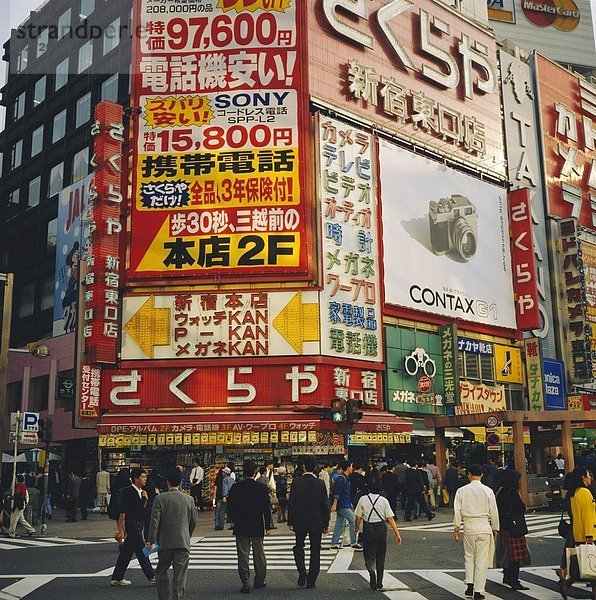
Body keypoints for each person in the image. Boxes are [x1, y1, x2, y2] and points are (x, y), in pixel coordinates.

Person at [147, 468, 197, 600]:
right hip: (182, 541)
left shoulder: (160, 499)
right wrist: (187, 534)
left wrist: (151, 540)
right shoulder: (189, 499)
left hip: (165, 542)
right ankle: (177, 597)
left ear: (167, 482)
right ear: (180, 482)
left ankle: (163, 597)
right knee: (179, 575)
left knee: (161, 571)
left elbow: (154, 522)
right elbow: (193, 521)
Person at [453, 464, 500, 600]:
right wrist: (495, 527)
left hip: (469, 525)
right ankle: (479, 590)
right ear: (482, 475)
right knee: (481, 560)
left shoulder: (461, 491)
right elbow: (494, 511)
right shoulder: (488, 491)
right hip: (484, 525)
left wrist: (456, 528)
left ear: (468, 474)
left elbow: (457, 511)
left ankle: (469, 584)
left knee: (469, 557)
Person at [226, 459, 273, 593]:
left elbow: (230, 508)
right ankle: (259, 580)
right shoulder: (261, 488)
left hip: (241, 525)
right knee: (259, 555)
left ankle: (245, 582)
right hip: (257, 524)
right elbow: (266, 508)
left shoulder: (236, 487)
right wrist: (268, 525)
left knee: (243, 555)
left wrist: (235, 519)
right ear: (255, 472)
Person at [355, 469, 402, 591]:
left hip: (368, 527)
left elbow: (358, 517)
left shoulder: (363, 499)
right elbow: (390, 519)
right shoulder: (384, 500)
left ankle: (371, 570)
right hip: (381, 528)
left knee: (368, 554)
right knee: (381, 556)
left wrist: (356, 529)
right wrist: (397, 534)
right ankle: (379, 582)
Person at [287, 455, 330, 589]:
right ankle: (312, 579)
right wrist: (326, 523)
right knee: (315, 549)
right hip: (316, 521)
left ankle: (302, 570)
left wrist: (290, 521)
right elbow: (325, 505)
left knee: (299, 546)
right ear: (316, 468)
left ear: (303, 466)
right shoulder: (320, 483)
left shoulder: (296, 482)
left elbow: (291, 502)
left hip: (300, 520)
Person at [111, 467, 156, 587]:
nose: (145, 479)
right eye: (142, 476)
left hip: (137, 525)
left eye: (145, 477)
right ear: (136, 479)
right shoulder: (128, 492)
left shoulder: (141, 492)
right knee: (142, 552)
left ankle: (117, 577)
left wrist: (145, 500)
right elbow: (123, 512)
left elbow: (141, 512)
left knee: (126, 553)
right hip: (132, 525)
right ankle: (152, 576)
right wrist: (120, 530)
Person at [558, 467, 595, 600]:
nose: (590, 477)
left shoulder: (575, 493)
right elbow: (588, 515)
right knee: (590, 563)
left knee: (585, 563)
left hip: (577, 533)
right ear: (583, 478)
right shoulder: (585, 492)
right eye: (588, 475)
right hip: (588, 534)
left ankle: (568, 584)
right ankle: (567, 584)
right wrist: (590, 535)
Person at [495, 470, 531, 590]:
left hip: (503, 526)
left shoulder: (500, 491)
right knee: (516, 556)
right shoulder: (513, 492)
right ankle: (514, 580)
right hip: (514, 527)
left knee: (507, 553)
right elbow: (520, 507)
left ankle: (506, 576)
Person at [330, 460, 362, 550]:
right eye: (351, 466)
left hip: (344, 503)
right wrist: (335, 504)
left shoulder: (344, 478)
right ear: (347, 467)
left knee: (339, 523)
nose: (352, 468)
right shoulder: (342, 478)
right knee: (352, 520)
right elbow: (337, 492)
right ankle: (353, 542)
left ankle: (334, 542)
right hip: (343, 504)